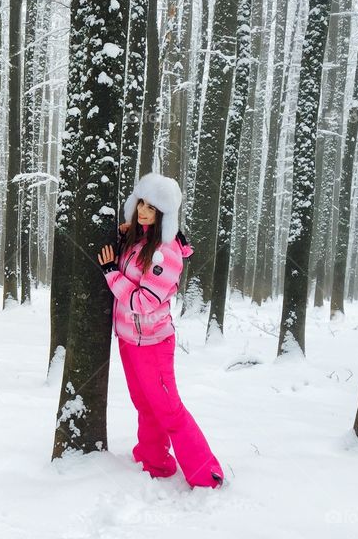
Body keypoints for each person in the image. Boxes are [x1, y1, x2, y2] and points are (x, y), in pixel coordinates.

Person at [96, 171, 224, 489]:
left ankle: (206, 473)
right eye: (141, 203)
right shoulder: (138, 240)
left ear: (163, 214)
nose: (143, 211)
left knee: (169, 409)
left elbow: (143, 302)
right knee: (145, 405)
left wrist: (111, 273)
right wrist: (124, 235)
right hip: (129, 339)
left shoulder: (165, 254)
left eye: (151, 208)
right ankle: (154, 460)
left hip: (153, 342)